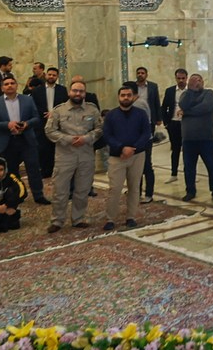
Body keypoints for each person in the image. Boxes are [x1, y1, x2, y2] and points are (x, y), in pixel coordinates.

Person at [45, 78, 102, 232]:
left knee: (82, 190)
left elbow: (99, 129)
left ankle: (78, 219)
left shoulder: (92, 110)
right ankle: (57, 221)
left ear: (85, 93)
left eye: (81, 91)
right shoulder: (59, 110)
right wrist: (67, 139)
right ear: (69, 92)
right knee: (60, 190)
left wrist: (86, 138)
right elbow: (49, 130)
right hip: (65, 156)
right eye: (75, 90)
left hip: (85, 156)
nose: (78, 94)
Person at [0, 76, 48, 204]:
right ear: (2, 88)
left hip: (27, 140)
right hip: (8, 141)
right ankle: (17, 194)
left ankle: (38, 195)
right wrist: (7, 125)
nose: (9, 85)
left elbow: (36, 118)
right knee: (12, 171)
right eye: (6, 84)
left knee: (33, 169)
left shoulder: (28, 100)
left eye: (12, 83)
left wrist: (27, 124)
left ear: (16, 85)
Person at [101, 82, 153, 230]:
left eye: (128, 95)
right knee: (115, 189)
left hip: (137, 156)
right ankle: (111, 218)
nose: (126, 98)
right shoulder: (111, 115)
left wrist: (133, 148)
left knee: (134, 187)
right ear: (118, 97)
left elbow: (146, 133)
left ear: (133, 97)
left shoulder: (140, 114)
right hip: (117, 157)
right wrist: (121, 148)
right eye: (123, 95)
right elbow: (107, 135)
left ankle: (131, 217)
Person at [177, 73, 213, 202]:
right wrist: (191, 90)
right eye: (193, 81)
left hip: (206, 138)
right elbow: (183, 105)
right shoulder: (185, 95)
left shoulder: (209, 94)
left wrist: (186, 112)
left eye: (199, 80)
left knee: (211, 165)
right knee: (189, 167)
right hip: (189, 139)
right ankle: (190, 191)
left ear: (202, 81)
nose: (197, 83)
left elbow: (205, 108)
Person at [31, 67, 69, 184]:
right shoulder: (37, 91)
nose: (51, 76)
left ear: (57, 77)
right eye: (50, 74)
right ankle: (45, 170)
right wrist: (45, 114)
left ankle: (55, 170)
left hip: (58, 122)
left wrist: (54, 113)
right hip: (42, 122)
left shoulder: (62, 90)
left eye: (54, 75)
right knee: (43, 147)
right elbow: (34, 106)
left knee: (55, 147)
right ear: (46, 75)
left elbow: (65, 105)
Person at [130, 66, 160, 202]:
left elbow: (155, 104)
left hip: (144, 137)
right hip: (137, 137)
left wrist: (158, 118)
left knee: (146, 164)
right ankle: (137, 191)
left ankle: (148, 194)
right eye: (138, 73)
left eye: (142, 73)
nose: (140, 75)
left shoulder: (140, 104)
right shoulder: (132, 103)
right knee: (137, 165)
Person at [161, 68, 187, 181]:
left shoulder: (191, 91)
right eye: (178, 78)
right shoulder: (170, 91)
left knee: (188, 150)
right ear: (175, 78)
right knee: (175, 149)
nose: (181, 80)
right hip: (174, 123)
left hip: (187, 124)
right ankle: (174, 174)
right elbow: (164, 107)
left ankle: (189, 173)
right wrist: (166, 123)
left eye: (183, 78)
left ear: (186, 78)